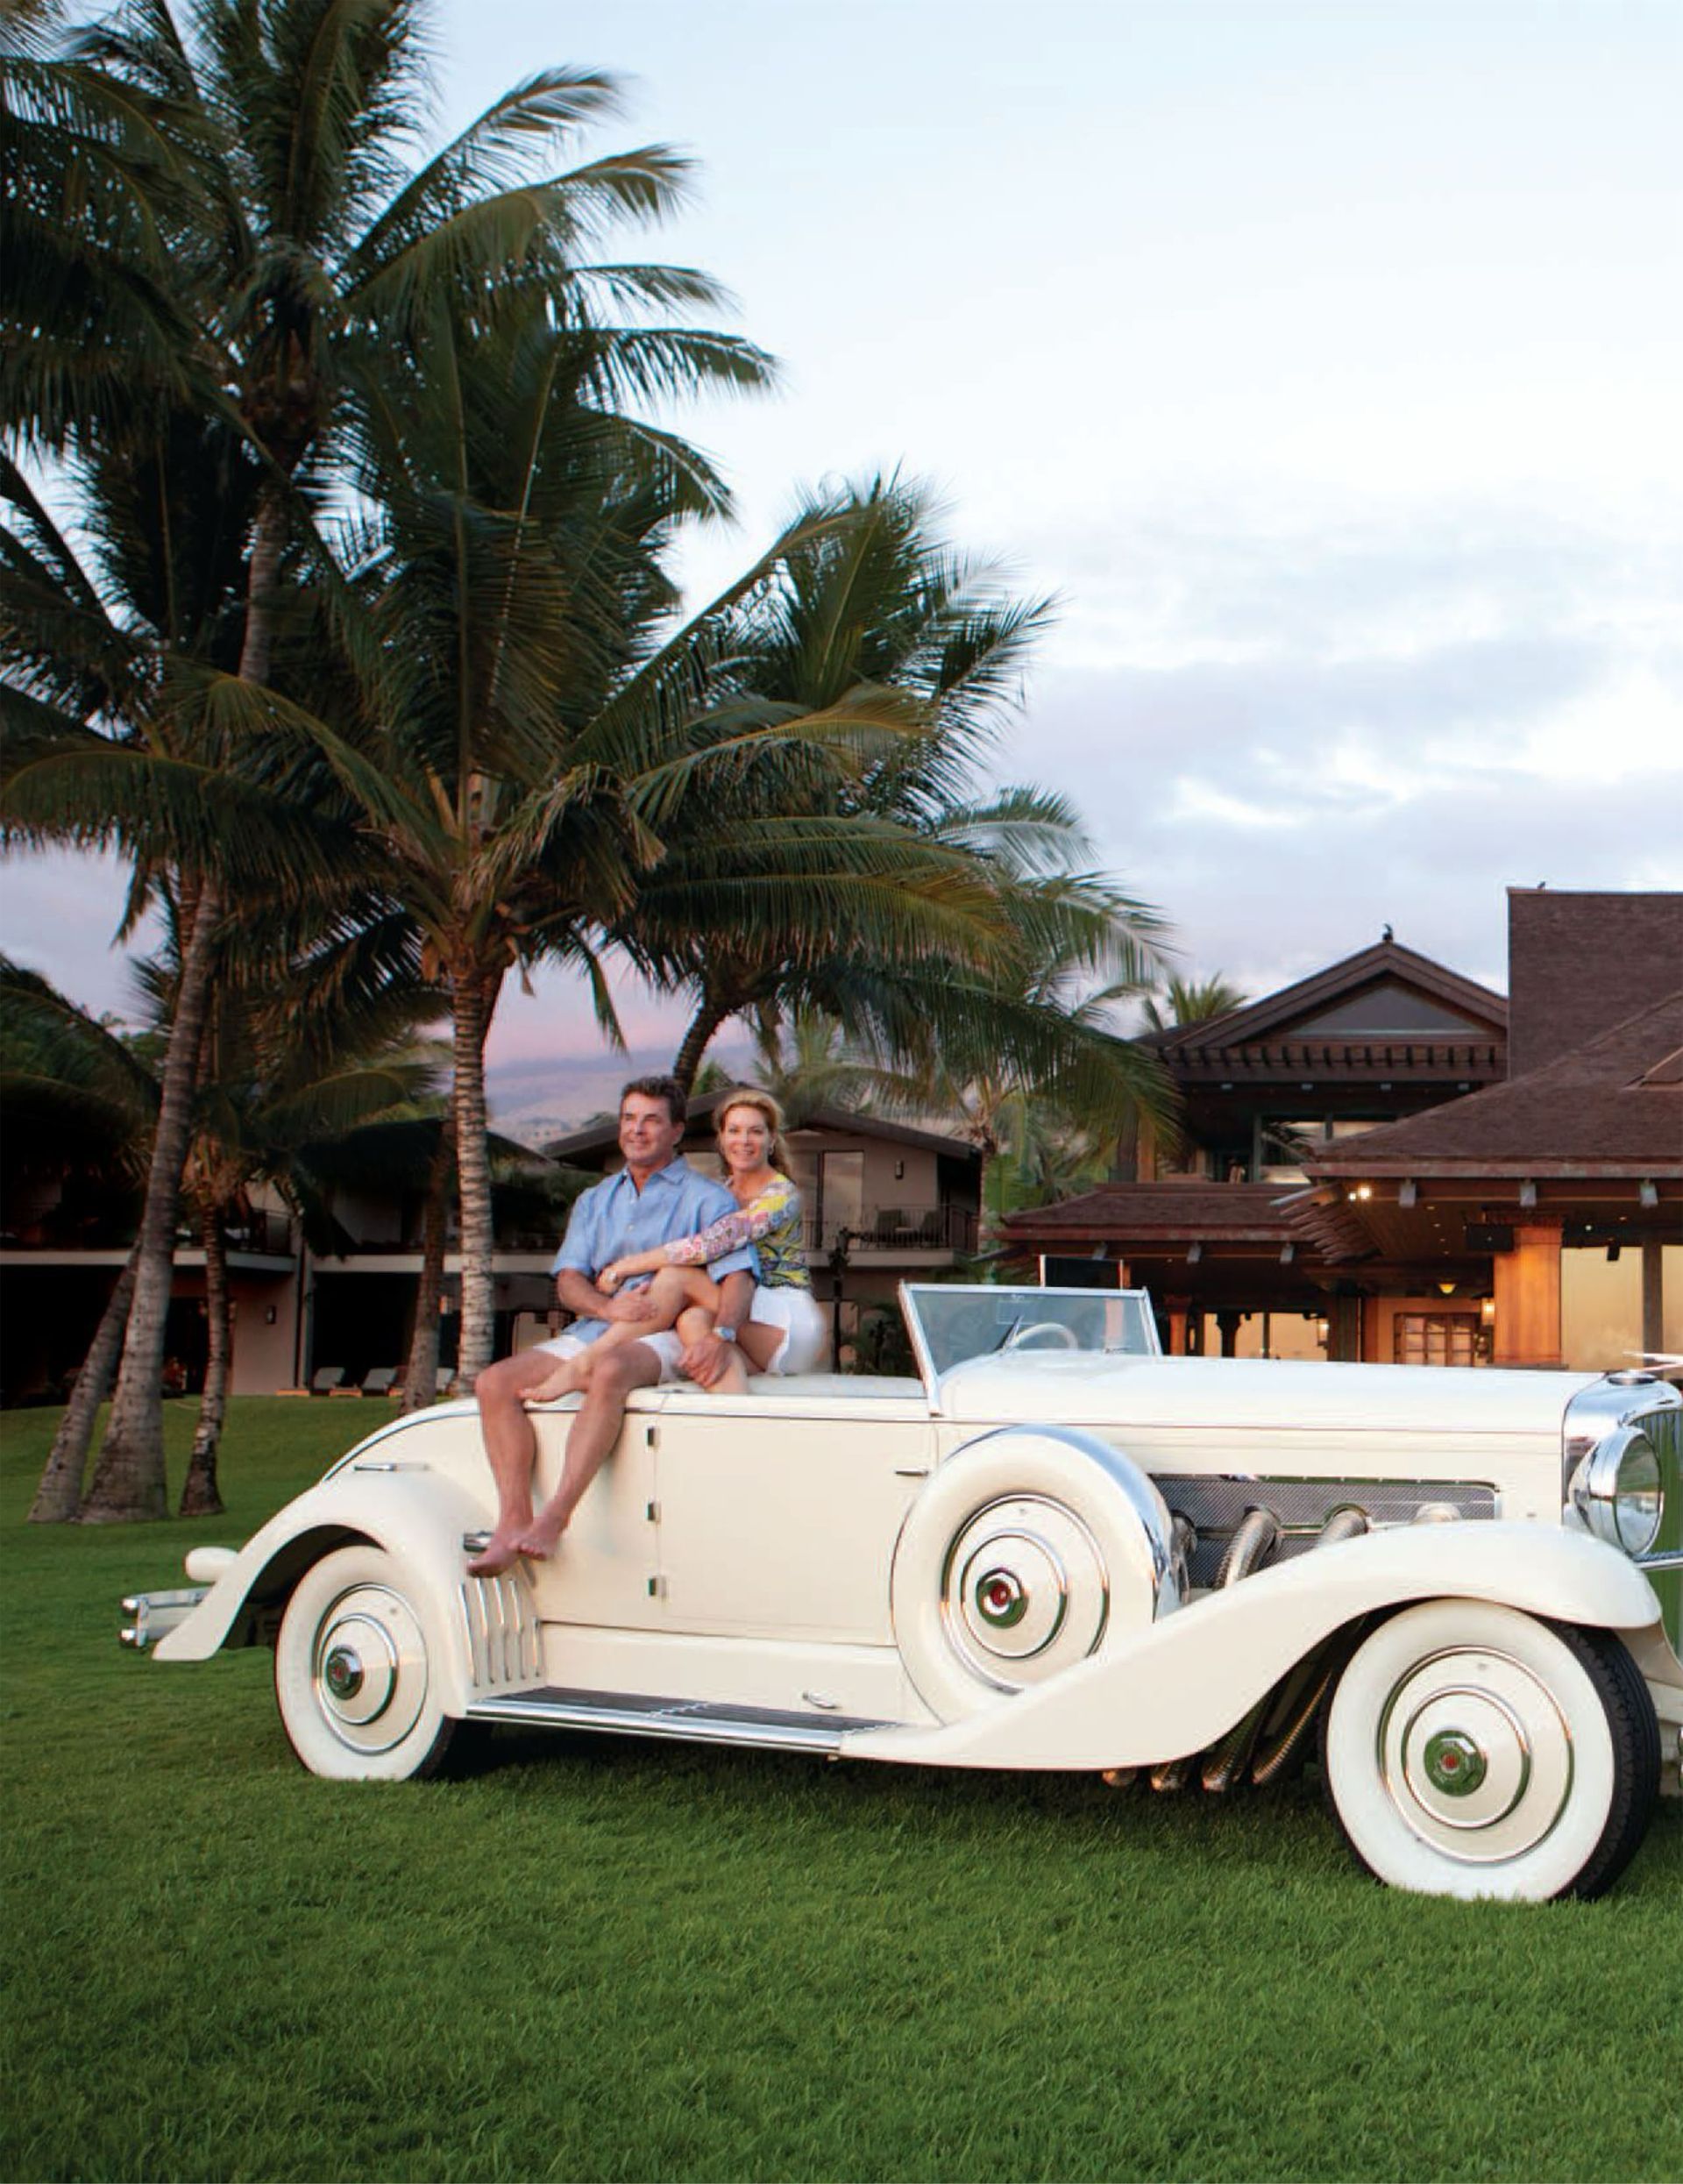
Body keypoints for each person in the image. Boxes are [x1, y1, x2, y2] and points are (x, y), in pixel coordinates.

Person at [465, 1076, 755, 1576]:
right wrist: (606, 1309)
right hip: (600, 1325)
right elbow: (570, 1280)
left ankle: (556, 1516)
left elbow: (738, 1281)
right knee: (494, 1383)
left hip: (668, 1330)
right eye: (628, 1119)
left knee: (609, 1368)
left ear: (676, 1131)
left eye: (651, 1121)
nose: (637, 1131)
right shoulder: (596, 1200)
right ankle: (513, 1520)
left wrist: (720, 1337)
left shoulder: (708, 1199)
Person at [526, 1087, 826, 1393]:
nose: (744, 1141)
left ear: (771, 1140)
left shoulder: (780, 1194)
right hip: (751, 1318)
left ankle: (584, 1364)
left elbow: (708, 1245)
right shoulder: (721, 1192)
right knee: (692, 1323)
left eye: (755, 1132)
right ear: (721, 1140)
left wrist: (625, 1266)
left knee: (676, 1278)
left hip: (783, 1318)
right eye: (734, 1131)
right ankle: (736, 1423)